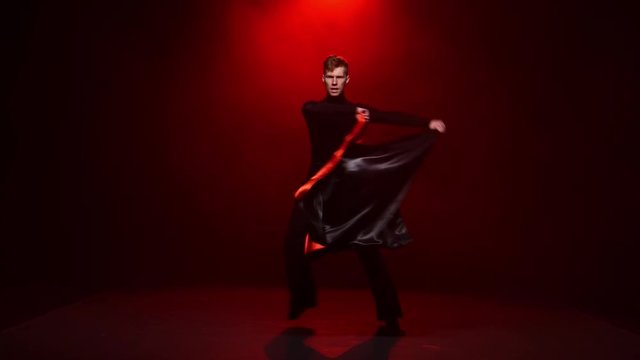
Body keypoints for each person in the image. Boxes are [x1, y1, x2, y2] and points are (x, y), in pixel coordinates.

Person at [284, 55, 445, 335]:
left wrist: (426, 122)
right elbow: (328, 114)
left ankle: (390, 314)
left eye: (339, 78)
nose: (334, 82)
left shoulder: (358, 110)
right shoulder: (311, 109)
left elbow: (389, 116)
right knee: (292, 241)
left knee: (368, 250)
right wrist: (357, 115)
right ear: (323, 79)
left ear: (347, 80)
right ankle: (303, 298)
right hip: (318, 190)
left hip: (348, 192)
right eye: (330, 77)